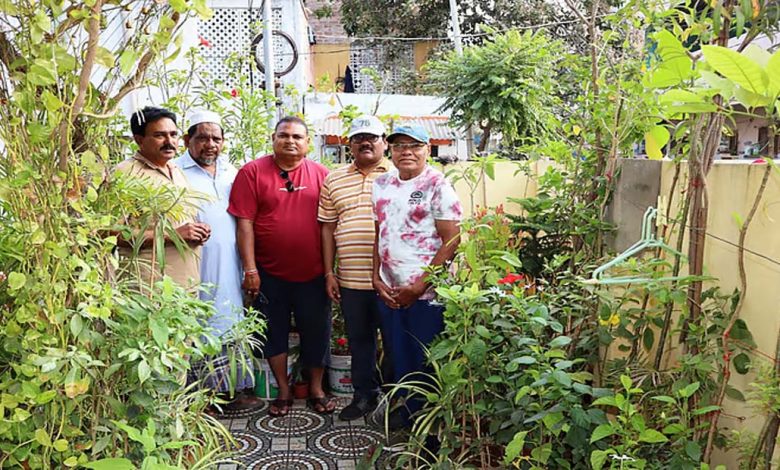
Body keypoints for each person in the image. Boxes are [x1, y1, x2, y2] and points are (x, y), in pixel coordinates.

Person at [228, 116, 335, 417]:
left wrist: (330, 272)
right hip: (268, 273)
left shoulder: (322, 175)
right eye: (284, 135)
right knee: (272, 332)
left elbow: (330, 224)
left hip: (314, 273)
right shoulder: (252, 172)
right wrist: (250, 270)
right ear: (273, 139)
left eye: (297, 136)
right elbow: (244, 224)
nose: (290, 141)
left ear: (307, 142)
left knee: (317, 332)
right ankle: (284, 390)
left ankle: (316, 389)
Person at [371, 124, 463, 428]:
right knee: (399, 354)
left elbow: (452, 241)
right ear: (391, 150)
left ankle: (430, 426)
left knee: (426, 358)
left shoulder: (438, 185)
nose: (406, 152)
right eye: (399, 146)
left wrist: (418, 287)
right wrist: (376, 278)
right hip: (390, 291)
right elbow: (379, 232)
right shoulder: (381, 184)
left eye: (415, 146)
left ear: (427, 149)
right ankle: (408, 413)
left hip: (426, 295)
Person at [174, 110, 261, 412]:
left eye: (216, 138)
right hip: (194, 262)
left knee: (229, 318)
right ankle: (203, 396)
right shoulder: (176, 172)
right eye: (202, 138)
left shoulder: (231, 172)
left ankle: (230, 391)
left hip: (231, 262)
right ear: (187, 139)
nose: (210, 145)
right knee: (199, 322)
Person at [318, 115, 391, 421]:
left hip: (392, 280)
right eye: (358, 138)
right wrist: (329, 272)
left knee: (395, 342)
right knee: (360, 342)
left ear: (384, 142)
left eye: (372, 137)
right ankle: (364, 396)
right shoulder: (334, 179)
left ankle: (397, 399)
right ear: (349, 144)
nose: (365, 143)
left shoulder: (398, 174)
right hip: (350, 279)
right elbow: (327, 227)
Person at [115, 106, 210, 289]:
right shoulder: (124, 174)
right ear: (139, 139)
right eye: (159, 135)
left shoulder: (176, 170)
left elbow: (181, 224)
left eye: (173, 135)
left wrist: (196, 230)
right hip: (148, 288)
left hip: (185, 285)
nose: (169, 141)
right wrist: (172, 235)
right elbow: (110, 233)